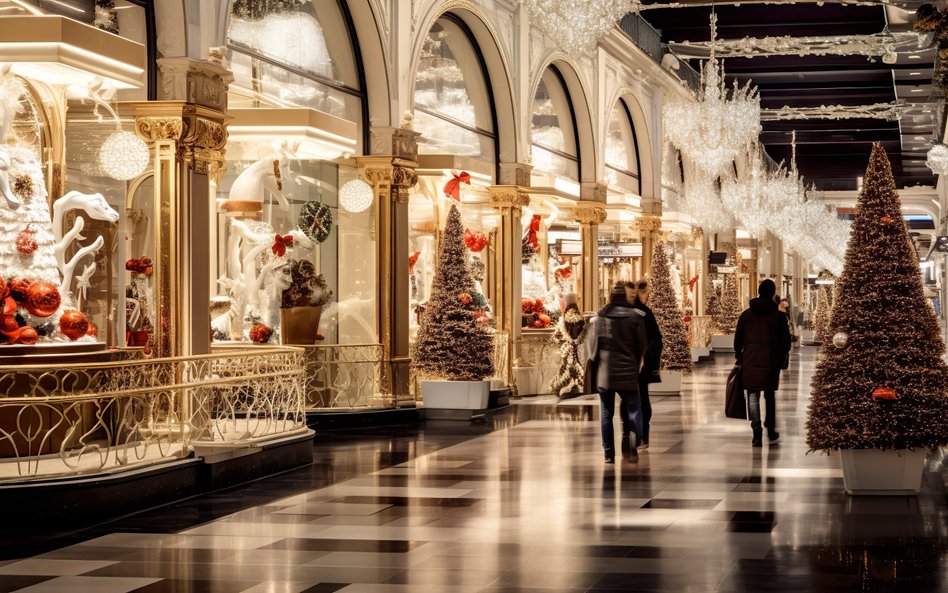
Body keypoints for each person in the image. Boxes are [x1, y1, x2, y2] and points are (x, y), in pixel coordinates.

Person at [584, 283, 648, 463]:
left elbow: (592, 346)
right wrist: (637, 364)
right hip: (628, 370)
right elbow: (642, 345)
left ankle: (608, 453)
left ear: (611, 297)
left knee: (606, 413)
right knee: (634, 410)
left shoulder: (601, 318)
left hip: (605, 373)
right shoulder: (635, 317)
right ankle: (632, 446)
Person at [734, 279, 791, 447]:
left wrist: (739, 356)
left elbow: (738, 339)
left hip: (750, 360)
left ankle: (756, 432)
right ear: (773, 293)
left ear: (758, 291)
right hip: (771, 361)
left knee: (752, 396)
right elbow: (785, 341)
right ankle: (771, 430)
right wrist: (782, 357)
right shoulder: (779, 317)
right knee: (769, 395)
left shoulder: (746, 315)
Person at [622, 280, 662, 452]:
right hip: (628, 364)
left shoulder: (644, 313)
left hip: (638, 364)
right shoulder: (631, 313)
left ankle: (639, 434)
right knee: (630, 400)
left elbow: (656, 339)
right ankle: (632, 434)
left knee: (639, 398)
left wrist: (650, 360)